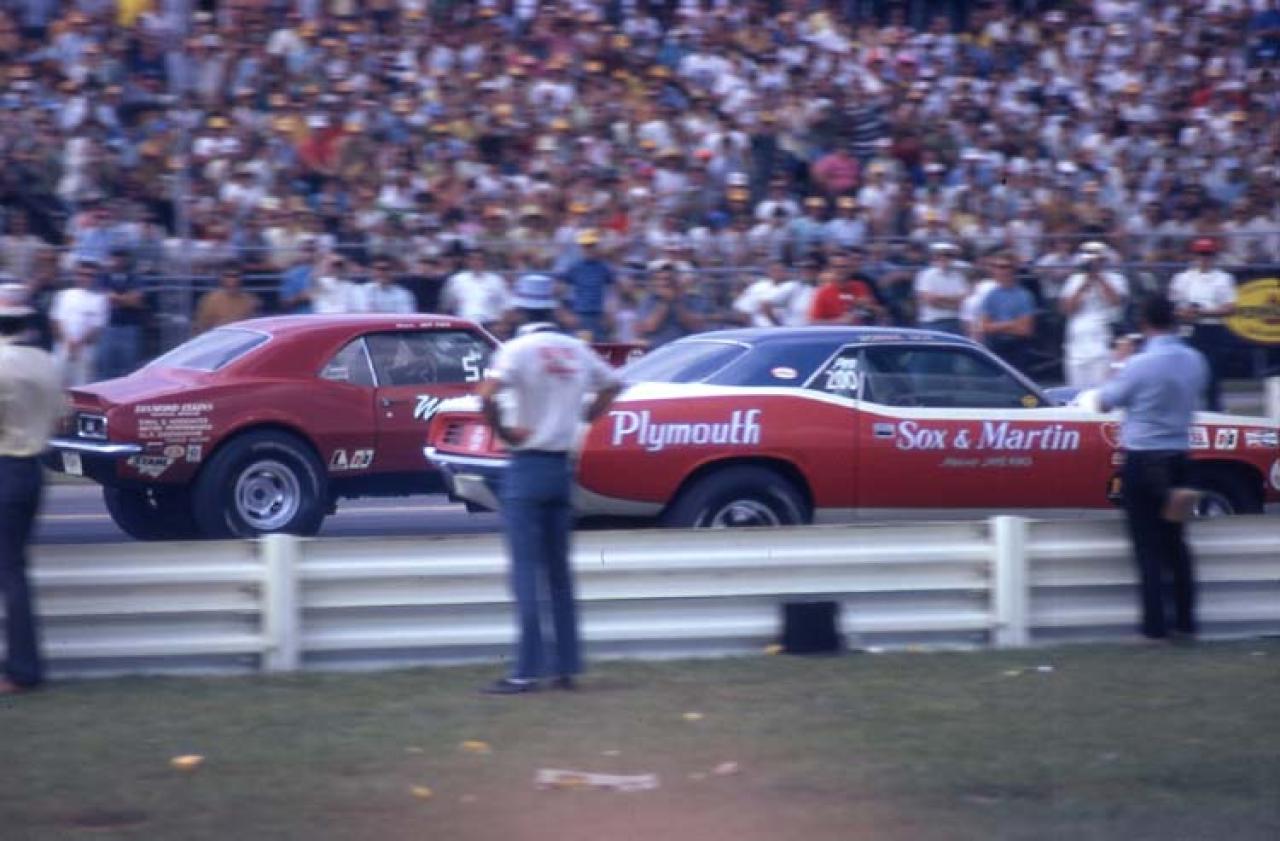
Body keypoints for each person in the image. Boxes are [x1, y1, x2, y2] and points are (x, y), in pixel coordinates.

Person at [476, 273, 623, 694]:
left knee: (526, 573)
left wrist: (504, 431)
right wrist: (588, 416)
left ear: (522, 309)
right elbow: (614, 384)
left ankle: (525, 671)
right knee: (559, 574)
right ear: (552, 308)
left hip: (526, 464)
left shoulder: (516, 350)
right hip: (562, 466)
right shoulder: (576, 349)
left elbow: (485, 395)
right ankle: (565, 667)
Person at [1097, 295, 1209, 643]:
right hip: (1180, 460)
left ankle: (1155, 627)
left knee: (1147, 546)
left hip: (1144, 459)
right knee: (1176, 543)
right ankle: (1186, 622)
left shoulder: (1139, 364)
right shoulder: (1195, 359)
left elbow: (1104, 402)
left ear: (1144, 323)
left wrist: (1119, 361)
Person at [0, 283, 65, 693]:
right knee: (13, 569)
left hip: (5, 466)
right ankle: (22, 666)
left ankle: (23, 670)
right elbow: (62, 414)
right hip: (32, 470)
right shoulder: (45, 361)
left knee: (10, 572)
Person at [1169, 239, 1237, 412]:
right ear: (1194, 255)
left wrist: (1202, 312)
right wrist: (1184, 314)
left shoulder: (1223, 279)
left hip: (1212, 329)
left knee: (1212, 376)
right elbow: (1173, 306)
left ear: (1214, 256)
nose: (1204, 258)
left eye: (1207, 254)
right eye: (1201, 254)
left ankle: (1214, 412)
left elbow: (1230, 308)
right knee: (1185, 374)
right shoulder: (1182, 278)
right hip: (1188, 329)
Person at [1058, 245, 1129, 389]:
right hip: (1076, 346)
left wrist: (1098, 277)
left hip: (1102, 345)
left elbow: (1115, 302)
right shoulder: (1075, 280)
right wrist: (1085, 283)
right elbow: (1067, 309)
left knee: (1099, 392)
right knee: (1075, 392)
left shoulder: (1117, 279)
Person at [50, 260, 109, 387]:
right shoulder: (64, 295)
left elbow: (97, 327)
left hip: (85, 350)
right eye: (81, 274)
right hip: (63, 348)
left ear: (95, 277)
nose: (85, 278)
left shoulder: (100, 299)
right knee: (56, 385)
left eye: (89, 275)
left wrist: (78, 344)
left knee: (82, 386)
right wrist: (68, 342)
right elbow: (56, 320)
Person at [977, 254, 1036, 374]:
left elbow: (1025, 329)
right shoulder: (990, 295)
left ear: (1013, 269)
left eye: (1005, 267)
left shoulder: (1024, 296)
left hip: (1017, 347)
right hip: (995, 346)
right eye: (996, 267)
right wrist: (1012, 324)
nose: (1000, 271)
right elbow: (985, 327)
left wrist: (996, 326)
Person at [95, 248, 146, 380]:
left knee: (128, 370)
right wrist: (126, 298)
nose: (118, 260)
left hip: (129, 328)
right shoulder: (103, 277)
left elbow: (136, 301)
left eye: (121, 256)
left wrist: (116, 299)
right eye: (115, 256)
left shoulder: (134, 277)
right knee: (105, 368)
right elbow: (103, 299)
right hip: (107, 327)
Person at [561, 229, 615, 340]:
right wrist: (566, 314)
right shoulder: (574, 267)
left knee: (600, 346)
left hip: (599, 316)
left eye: (592, 245)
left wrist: (610, 312)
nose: (589, 249)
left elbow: (613, 291)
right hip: (579, 315)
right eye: (585, 246)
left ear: (597, 246)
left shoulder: (604, 268)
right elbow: (560, 290)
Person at [913, 242, 969, 334]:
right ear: (934, 257)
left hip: (955, 321)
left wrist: (940, 298)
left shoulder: (959, 275)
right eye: (940, 255)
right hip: (933, 322)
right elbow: (929, 300)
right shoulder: (926, 275)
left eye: (948, 255)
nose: (944, 258)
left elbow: (964, 299)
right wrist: (953, 302)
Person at [193, 264, 261, 334]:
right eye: (227, 276)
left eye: (235, 276)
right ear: (221, 278)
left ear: (241, 278)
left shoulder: (251, 301)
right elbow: (200, 326)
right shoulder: (209, 300)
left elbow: (256, 326)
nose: (232, 280)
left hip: (242, 337)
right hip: (218, 337)